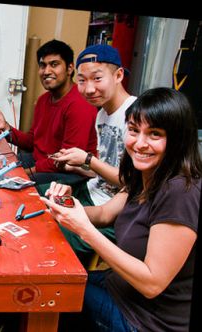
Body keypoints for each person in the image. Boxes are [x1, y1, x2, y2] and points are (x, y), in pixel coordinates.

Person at [41, 87, 201, 331]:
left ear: (177, 139)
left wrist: (84, 230)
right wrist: (69, 206)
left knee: (46, 294)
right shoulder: (144, 173)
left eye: (154, 134)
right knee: (52, 280)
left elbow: (152, 283)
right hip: (119, 288)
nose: (140, 143)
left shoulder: (181, 191)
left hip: (145, 320)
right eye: (134, 130)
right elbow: (105, 214)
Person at [49, 44, 138, 266]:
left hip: (115, 210)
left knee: (52, 238)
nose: (89, 89)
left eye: (97, 78)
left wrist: (88, 160)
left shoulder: (136, 116)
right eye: (82, 80)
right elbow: (106, 168)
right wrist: (76, 165)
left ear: (118, 75)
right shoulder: (101, 115)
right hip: (94, 191)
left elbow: (133, 183)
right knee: (33, 197)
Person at [0, 39, 98, 186]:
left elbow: (66, 159)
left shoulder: (80, 105)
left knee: (9, 184)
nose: (46, 71)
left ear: (70, 68)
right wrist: (6, 129)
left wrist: (23, 172)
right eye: (42, 65)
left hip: (67, 173)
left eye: (54, 64)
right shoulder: (43, 100)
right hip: (42, 163)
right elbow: (33, 142)